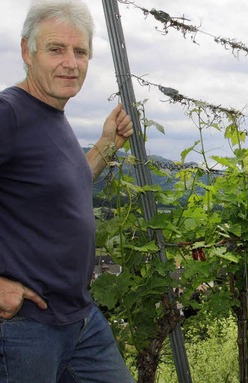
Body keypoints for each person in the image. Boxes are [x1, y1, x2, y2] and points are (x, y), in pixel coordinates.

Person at [0, 0, 136, 381]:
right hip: (24, 328)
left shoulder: (53, 117)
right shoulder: (9, 113)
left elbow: (66, 186)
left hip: (80, 319)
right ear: (27, 51)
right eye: (56, 49)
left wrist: (106, 145)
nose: (71, 63)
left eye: (80, 52)